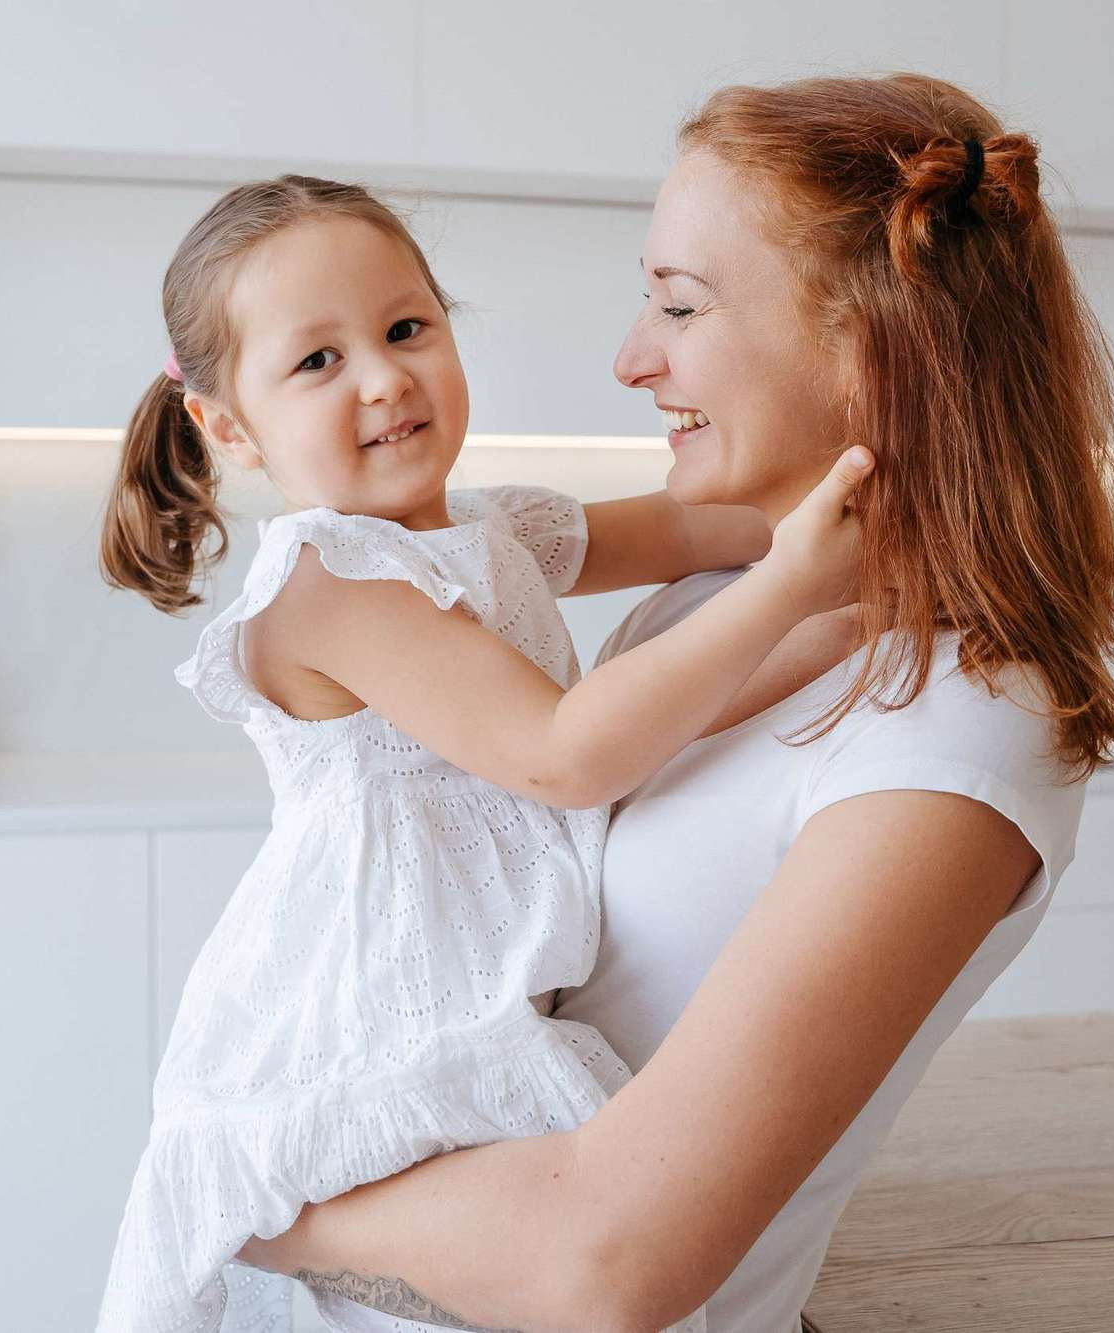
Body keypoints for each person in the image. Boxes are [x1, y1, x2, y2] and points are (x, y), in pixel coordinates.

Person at [236, 74, 1114, 1333]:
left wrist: (263, 1198)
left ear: (871, 345)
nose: (629, 356)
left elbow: (600, 1267)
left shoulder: (962, 737)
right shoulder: (723, 601)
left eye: (678, 303)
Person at [94, 173, 873, 1332]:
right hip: (377, 1016)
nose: (382, 376)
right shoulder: (327, 582)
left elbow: (695, 524)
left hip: (485, 986)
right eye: (317, 362)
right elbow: (563, 757)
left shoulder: (492, 529)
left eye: (407, 327)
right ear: (228, 427)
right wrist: (795, 587)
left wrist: (869, 486)